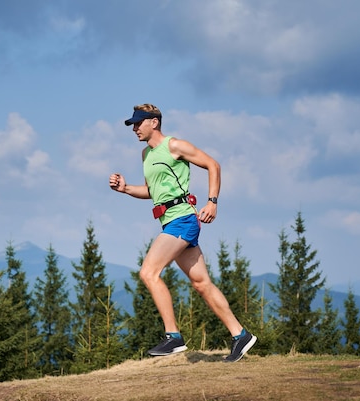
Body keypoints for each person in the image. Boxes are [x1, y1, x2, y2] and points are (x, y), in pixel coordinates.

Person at [109, 103, 257, 362]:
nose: (134, 128)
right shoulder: (146, 155)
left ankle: (173, 337)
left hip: (183, 219)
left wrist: (212, 202)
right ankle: (240, 335)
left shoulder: (174, 146)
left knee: (149, 272)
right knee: (201, 284)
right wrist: (125, 188)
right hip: (170, 222)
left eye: (138, 122)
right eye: (132, 124)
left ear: (154, 122)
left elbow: (213, 165)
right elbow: (151, 192)